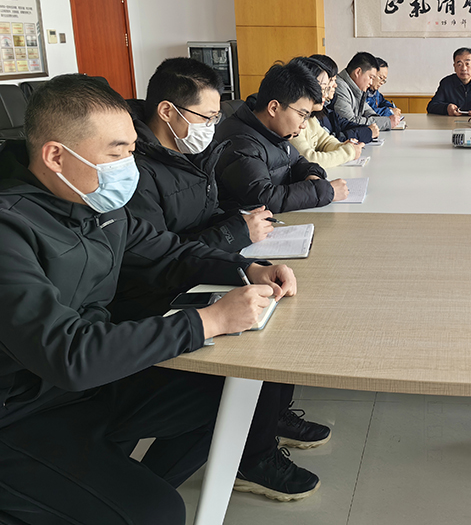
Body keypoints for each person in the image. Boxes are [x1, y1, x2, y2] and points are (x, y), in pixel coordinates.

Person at [0, 74, 299, 523]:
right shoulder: (10, 228)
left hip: (88, 388)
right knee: (157, 513)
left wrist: (246, 268)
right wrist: (210, 321)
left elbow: (169, 252)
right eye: (117, 152)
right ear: (56, 156)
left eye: (132, 150)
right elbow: (67, 353)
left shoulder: (96, 206)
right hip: (20, 410)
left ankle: (115, 494)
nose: (129, 166)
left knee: (233, 394)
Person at [114, 57, 331, 500]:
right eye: (207, 117)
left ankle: (266, 424)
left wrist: (249, 263)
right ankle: (251, 456)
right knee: (259, 345)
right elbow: (156, 252)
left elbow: (204, 217)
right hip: (154, 295)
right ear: (168, 111)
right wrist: (236, 236)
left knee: (276, 306)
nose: (214, 127)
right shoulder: (133, 170)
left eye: (217, 116)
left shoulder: (190, 152)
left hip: (195, 269)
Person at [214, 60, 350, 213]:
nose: (304, 124)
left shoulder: (271, 130)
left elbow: (298, 161)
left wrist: (312, 175)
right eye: (302, 115)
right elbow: (264, 198)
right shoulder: (241, 142)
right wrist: (324, 191)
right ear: (273, 108)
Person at [289, 56, 366, 168]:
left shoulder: (310, 117)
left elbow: (325, 141)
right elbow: (309, 159)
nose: (325, 93)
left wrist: (343, 146)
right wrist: (349, 152)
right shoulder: (292, 118)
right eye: (324, 87)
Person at [311, 53, 378, 144]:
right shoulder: (311, 115)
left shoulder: (326, 108)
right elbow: (330, 141)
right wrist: (366, 133)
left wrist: (366, 130)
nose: (335, 85)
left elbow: (342, 123)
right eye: (331, 80)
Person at [332, 52, 402, 130]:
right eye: (371, 77)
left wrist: (380, 120)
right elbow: (350, 121)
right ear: (358, 72)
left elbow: (367, 110)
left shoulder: (356, 88)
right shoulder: (339, 87)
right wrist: (386, 122)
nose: (371, 82)